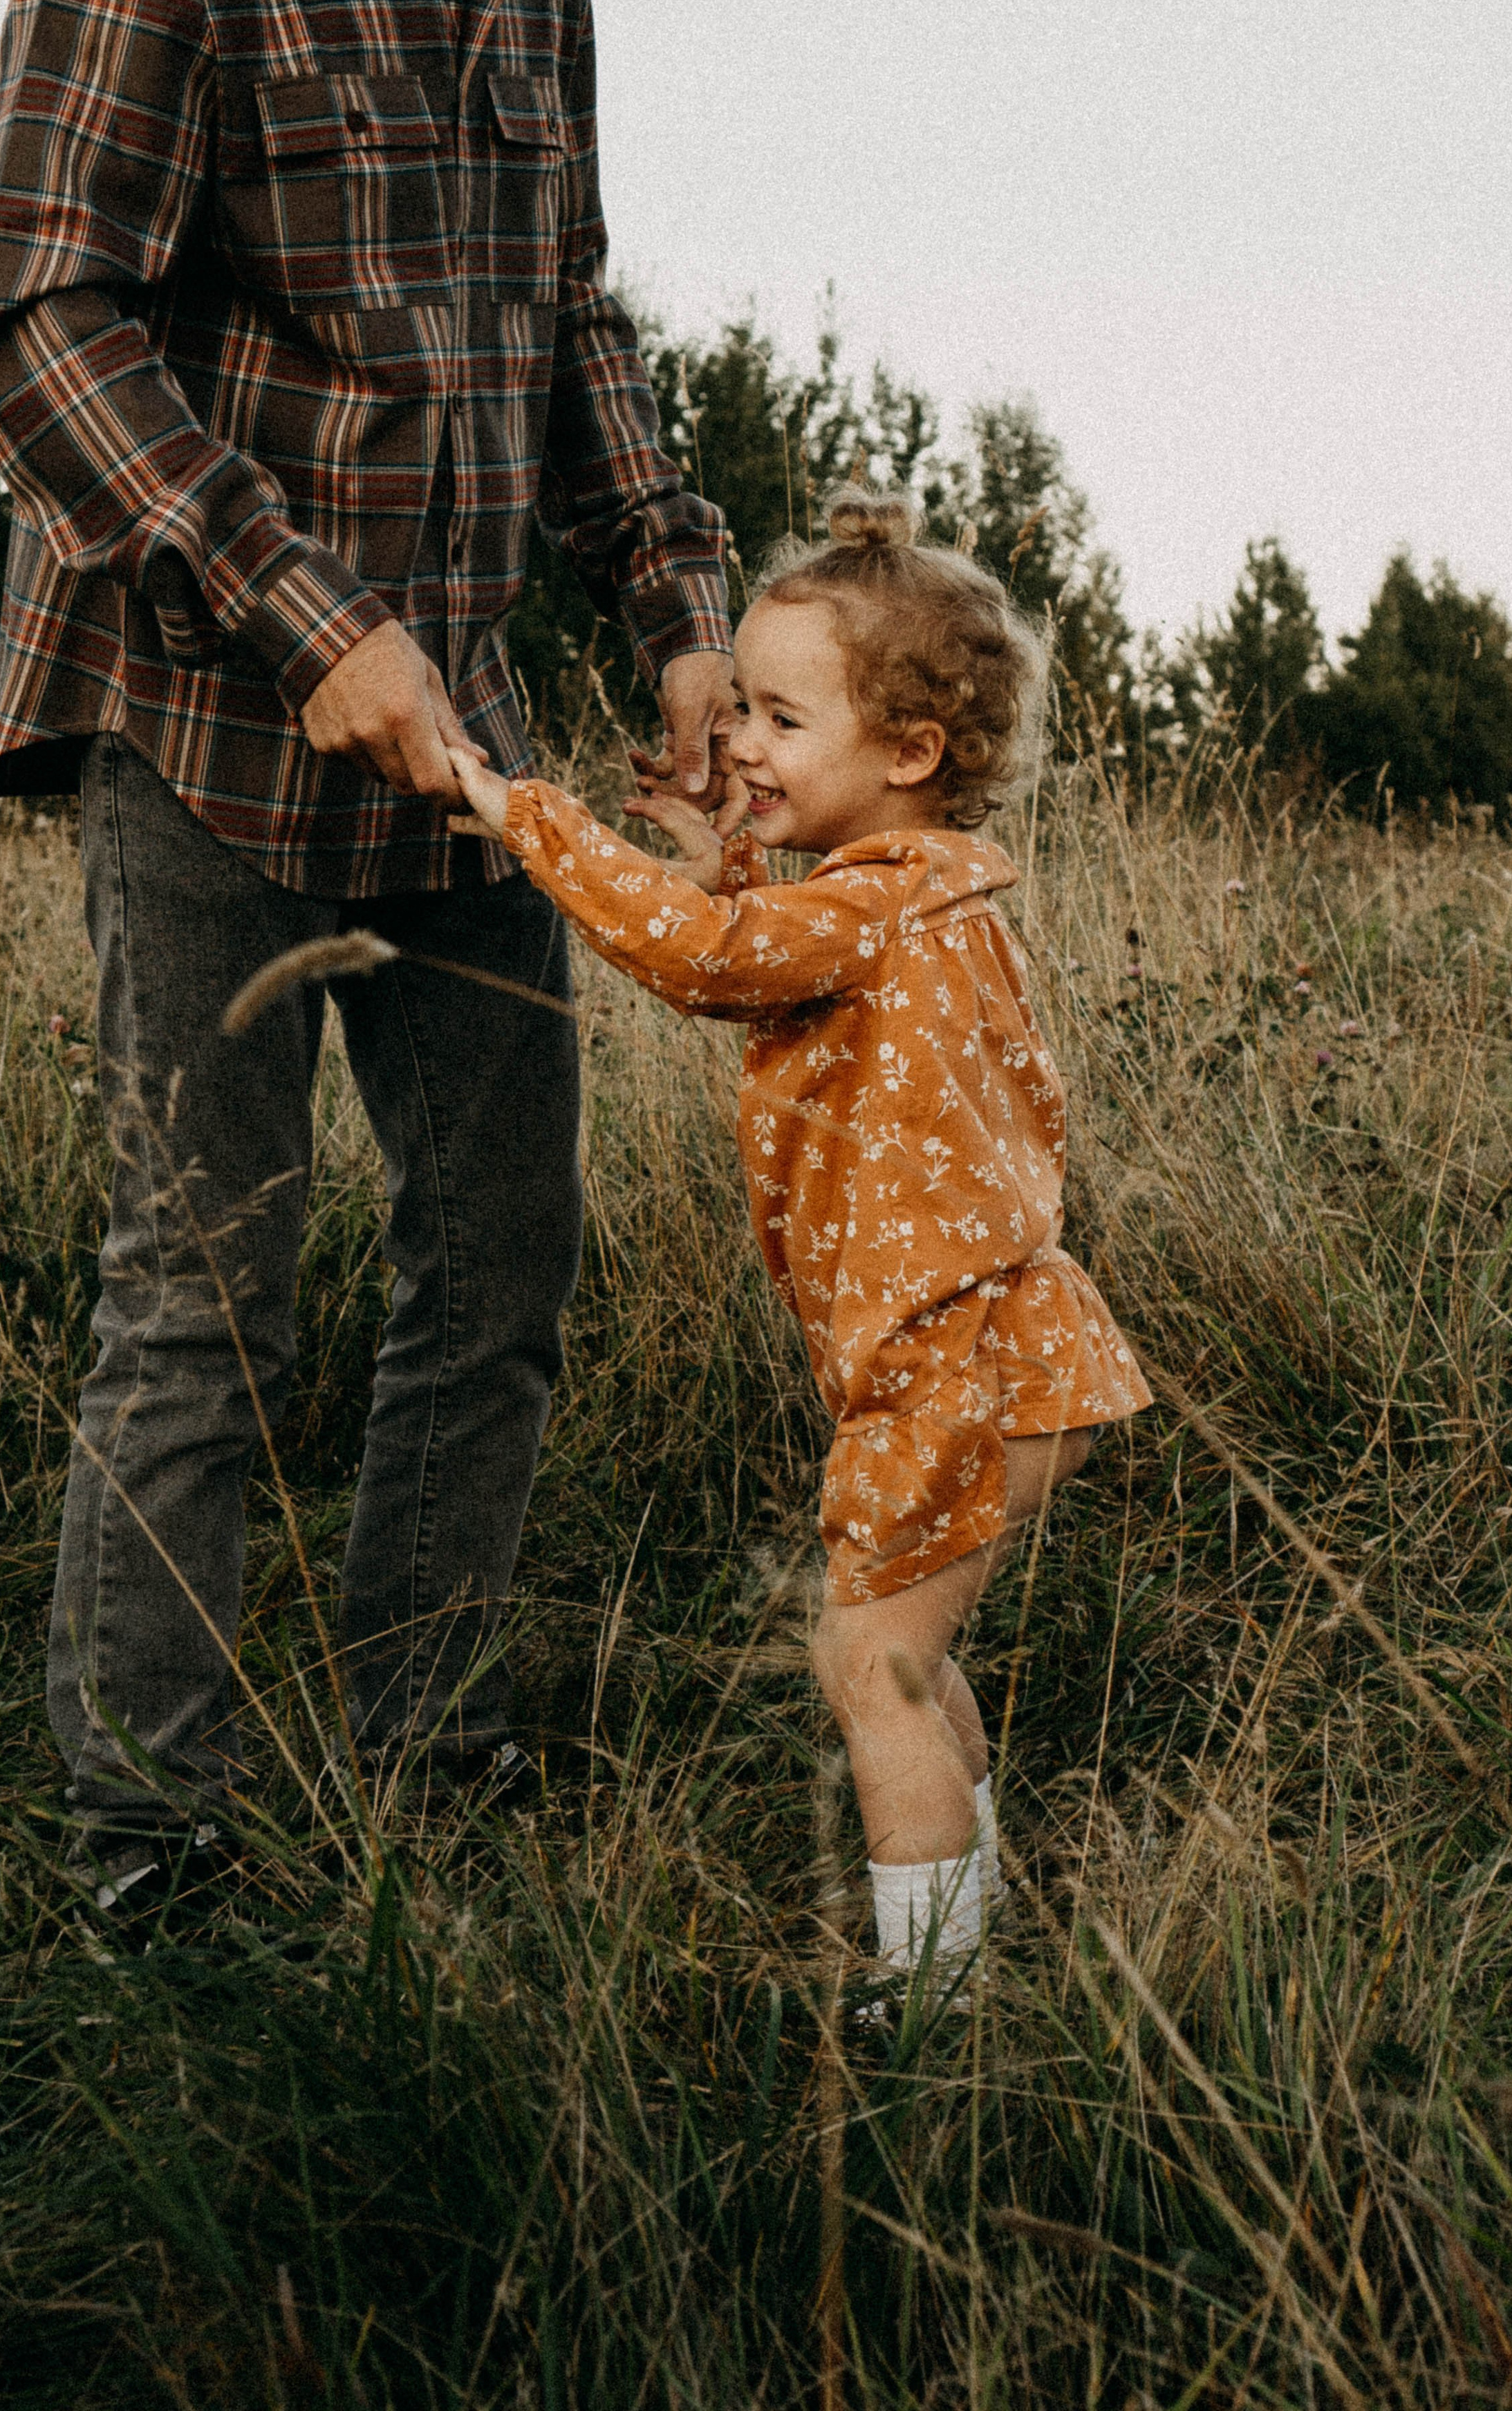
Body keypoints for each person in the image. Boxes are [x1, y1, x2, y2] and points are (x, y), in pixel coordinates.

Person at [0, 0, 736, 1933]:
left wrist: (682, 616)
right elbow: (42, 320)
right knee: (206, 1301)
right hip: (205, 723)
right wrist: (302, 614)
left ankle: (425, 1761)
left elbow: (566, 316)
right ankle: (151, 1861)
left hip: (475, 751)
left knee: (502, 1260)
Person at [447, 490, 1151, 1986]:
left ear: (909, 755)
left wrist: (530, 818)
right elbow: (780, 955)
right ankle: (969, 1925)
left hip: (948, 1361)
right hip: (1006, 1347)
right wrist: (732, 857)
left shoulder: (880, 909)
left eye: (779, 719)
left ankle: (932, 1997)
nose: (742, 746)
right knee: (904, 1657)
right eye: (742, 713)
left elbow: (708, 962)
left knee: (867, 1667)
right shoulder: (916, 899)